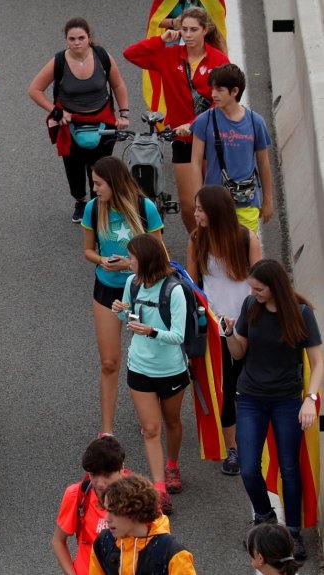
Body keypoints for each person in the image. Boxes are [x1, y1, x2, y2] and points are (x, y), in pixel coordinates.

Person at [223, 259, 323, 561]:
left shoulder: (301, 314)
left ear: (275, 286)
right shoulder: (250, 307)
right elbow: (238, 351)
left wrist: (311, 398)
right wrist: (228, 334)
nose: (253, 293)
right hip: (251, 397)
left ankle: (291, 532)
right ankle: (265, 519)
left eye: (259, 288)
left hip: (287, 400)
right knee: (250, 467)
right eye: (252, 289)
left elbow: (318, 363)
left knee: (290, 468)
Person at [124, 7, 229, 233]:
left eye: (193, 30)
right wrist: (160, 40)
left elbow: (221, 102)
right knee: (190, 204)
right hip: (183, 142)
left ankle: (216, 242)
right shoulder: (168, 56)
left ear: (205, 30)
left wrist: (194, 125)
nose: (188, 35)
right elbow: (130, 54)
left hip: (211, 138)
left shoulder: (219, 60)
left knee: (212, 201)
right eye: (184, 29)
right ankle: (198, 242)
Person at [81, 157, 164, 438]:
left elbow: (160, 255)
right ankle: (107, 431)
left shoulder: (145, 208)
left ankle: (151, 419)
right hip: (107, 288)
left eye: (98, 184)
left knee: (150, 359)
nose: (94, 190)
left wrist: (129, 264)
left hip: (143, 290)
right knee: (109, 363)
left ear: (114, 184)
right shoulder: (93, 210)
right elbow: (88, 251)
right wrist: (102, 260)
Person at [186, 185, 261, 475]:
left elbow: (259, 281)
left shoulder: (246, 238)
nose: (195, 214)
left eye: (201, 209)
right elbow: (192, 285)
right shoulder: (197, 240)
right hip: (215, 329)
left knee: (249, 387)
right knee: (226, 389)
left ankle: (255, 439)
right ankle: (234, 450)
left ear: (216, 211)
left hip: (247, 325)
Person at [111, 234, 188, 515]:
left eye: (132, 257)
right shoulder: (132, 283)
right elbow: (129, 318)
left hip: (171, 369)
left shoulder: (174, 290)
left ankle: (172, 465)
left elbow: (178, 335)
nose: (128, 261)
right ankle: (159, 489)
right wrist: (121, 311)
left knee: (172, 422)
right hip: (140, 366)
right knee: (151, 428)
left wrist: (152, 331)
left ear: (146, 260)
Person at [28, 18, 130, 224]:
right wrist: (56, 111)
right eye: (72, 39)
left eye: (81, 38)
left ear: (89, 38)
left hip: (103, 120)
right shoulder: (58, 62)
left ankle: (100, 203)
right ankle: (80, 201)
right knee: (74, 167)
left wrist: (124, 114)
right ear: (66, 40)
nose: (77, 43)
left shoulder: (102, 57)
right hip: (70, 123)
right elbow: (34, 90)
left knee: (100, 166)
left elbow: (118, 85)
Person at [190, 64, 274, 232]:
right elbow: (196, 162)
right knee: (217, 255)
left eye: (219, 90)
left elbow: (263, 162)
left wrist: (267, 200)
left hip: (246, 203)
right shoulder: (204, 121)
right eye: (212, 89)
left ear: (234, 91)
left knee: (246, 252)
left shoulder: (255, 122)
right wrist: (199, 203)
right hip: (214, 204)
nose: (213, 94)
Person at [90, 473, 196, 574]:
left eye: (114, 512)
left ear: (135, 510)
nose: (107, 518)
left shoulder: (174, 555)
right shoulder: (103, 542)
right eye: (107, 510)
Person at [52, 436, 128, 575]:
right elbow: (58, 541)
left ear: (122, 469)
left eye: (107, 475)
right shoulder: (76, 495)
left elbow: (157, 543)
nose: (99, 483)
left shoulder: (141, 497)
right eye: (94, 475)